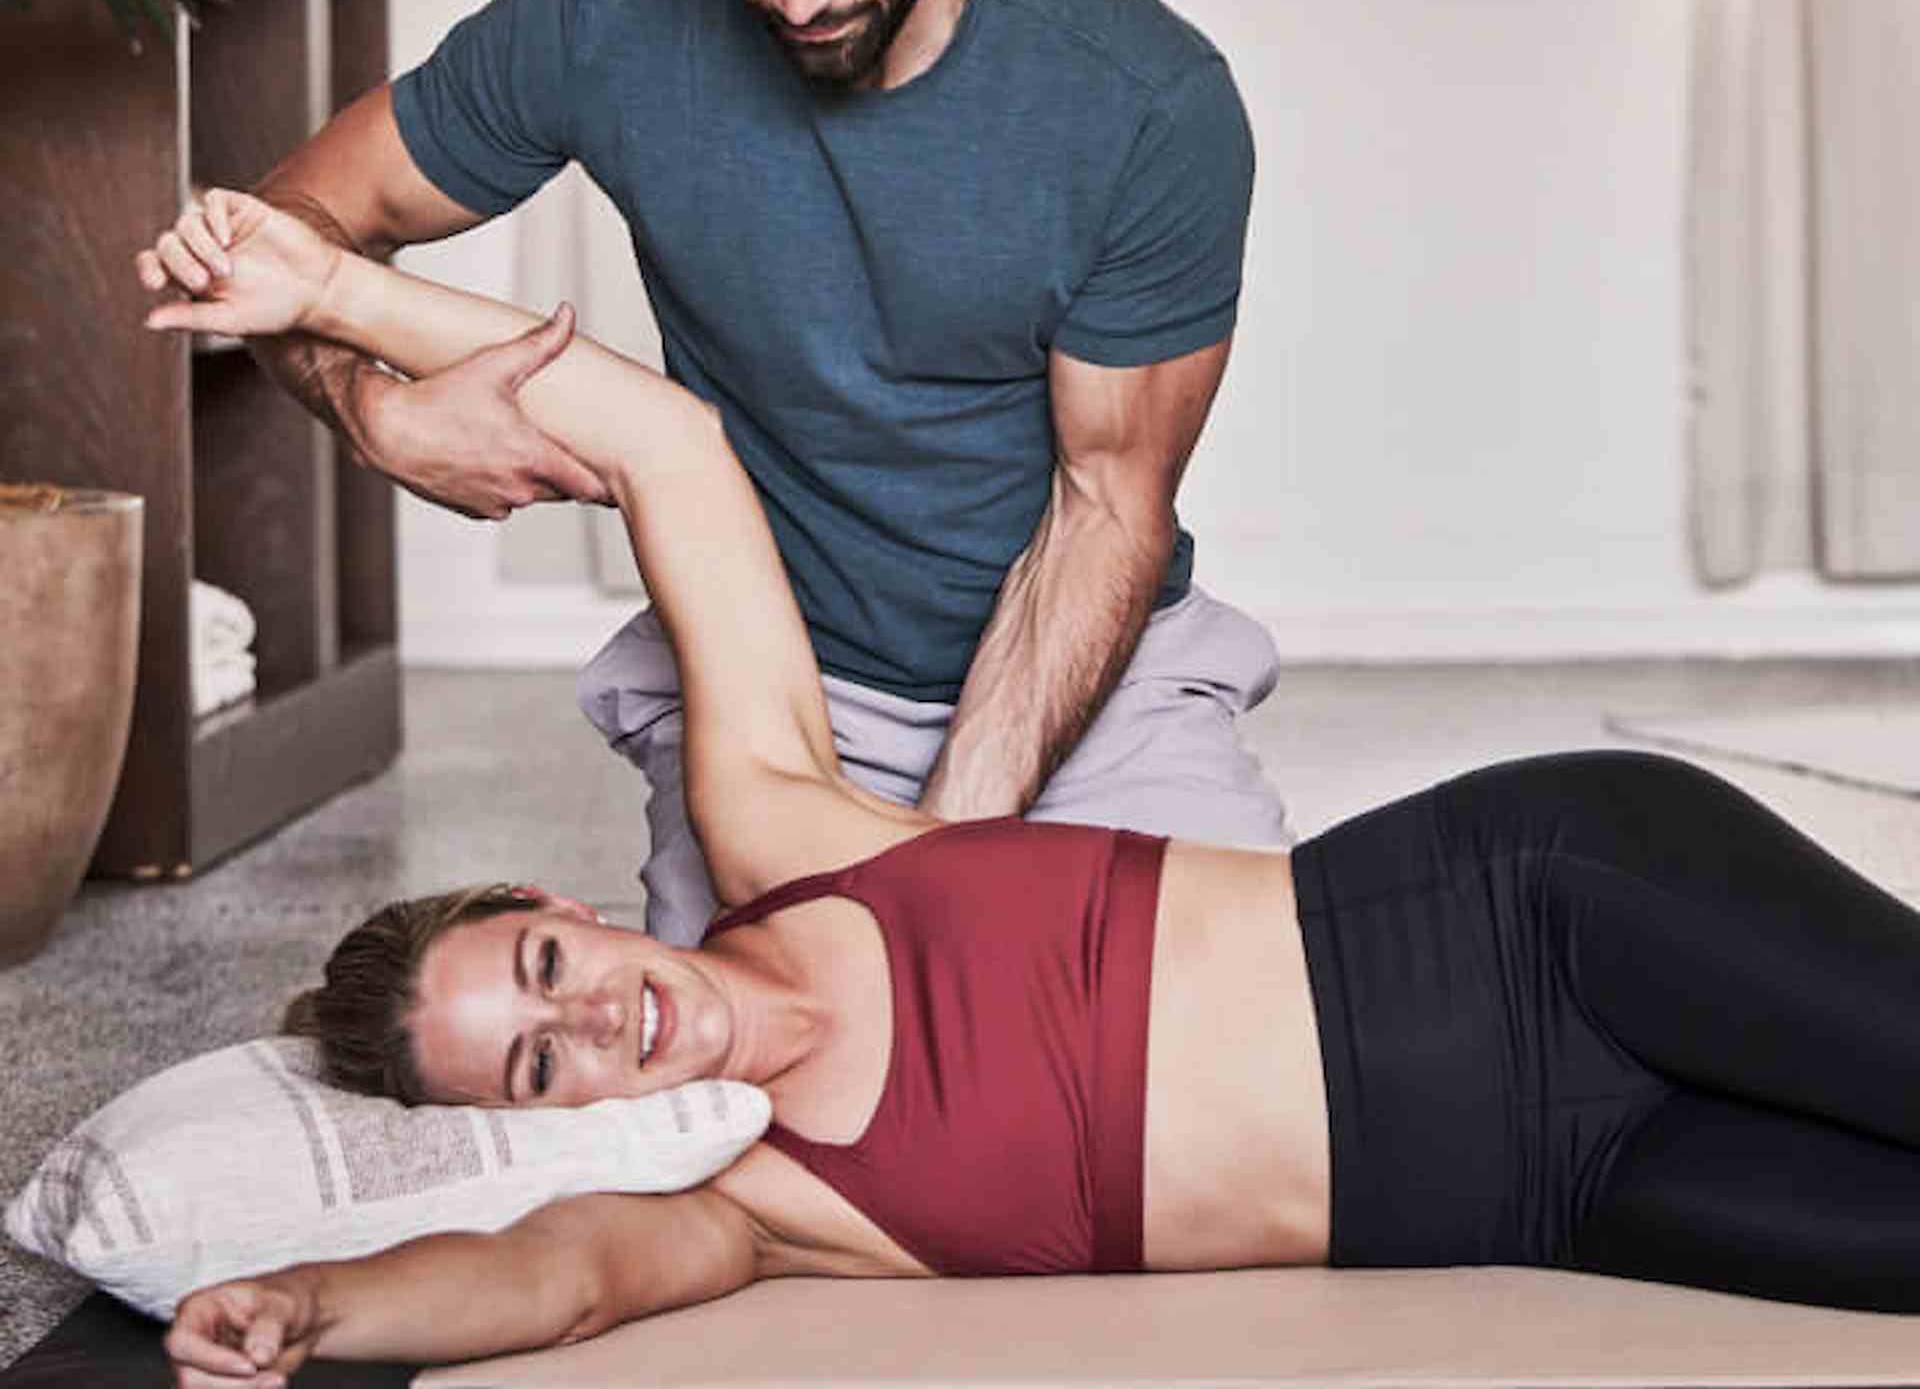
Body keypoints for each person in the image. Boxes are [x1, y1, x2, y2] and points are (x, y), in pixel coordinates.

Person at [147, 193, 1920, 1386]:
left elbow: (665, 447)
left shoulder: (789, 841)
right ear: (534, 1123)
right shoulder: (758, 1209)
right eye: (540, 1069)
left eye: (547, 974)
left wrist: (331, 294)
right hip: (1564, 1184)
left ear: (557, 912)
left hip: (1549, 912)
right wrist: (320, 1308)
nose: (602, 1023)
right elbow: (563, 1279)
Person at [145, 0, 1288, 945]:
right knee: (761, 1100)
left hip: (1094, 681)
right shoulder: (612, 8)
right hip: (776, 690)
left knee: (1243, 1068)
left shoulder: (1144, 101)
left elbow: (1107, 511)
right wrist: (378, 417)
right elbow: (297, 224)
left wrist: (928, 876)